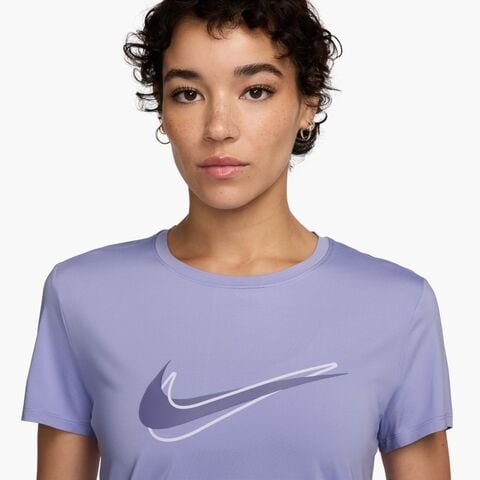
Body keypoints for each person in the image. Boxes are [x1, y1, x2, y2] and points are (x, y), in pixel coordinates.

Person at [20, 1, 454, 479]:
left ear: (308, 103)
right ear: (162, 109)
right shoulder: (83, 294)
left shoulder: (395, 306)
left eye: (255, 91)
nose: (219, 128)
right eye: (188, 94)